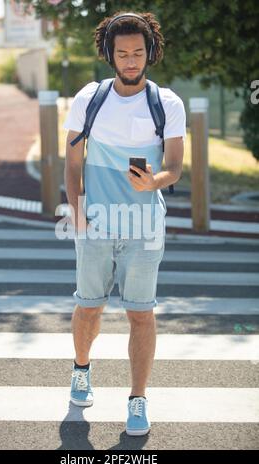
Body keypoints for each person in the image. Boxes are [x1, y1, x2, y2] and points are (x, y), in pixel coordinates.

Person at [63, 10, 186, 436]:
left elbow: (174, 168)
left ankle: (137, 399)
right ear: (109, 55)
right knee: (89, 307)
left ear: (150, 52)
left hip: (144, 229)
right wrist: (76, 212)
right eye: (122, 54)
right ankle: (81, 369)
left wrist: (156, 180)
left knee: (141, 316)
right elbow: (72, 161)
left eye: (138, 52)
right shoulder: (88, 99)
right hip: (97, 224)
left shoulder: (166, 103)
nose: (131, 61)